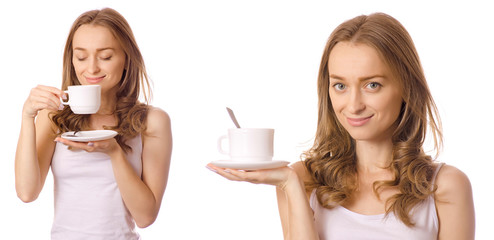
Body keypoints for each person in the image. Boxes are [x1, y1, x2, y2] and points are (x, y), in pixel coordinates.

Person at [207, 12, 475, 239]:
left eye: (372, 85)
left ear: (406, 87)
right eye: (340, 85)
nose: (353, 104)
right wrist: (289, 184)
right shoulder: (301, 179)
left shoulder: (445, 186)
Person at [15, 8, 172, 239]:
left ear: (127, 58)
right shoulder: (53, 116)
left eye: (106, 56)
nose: (91, 68)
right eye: (81, 57)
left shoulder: (151, 121)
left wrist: (114, 152)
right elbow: (27, 192)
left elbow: (145, 217)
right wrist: (27, 116)